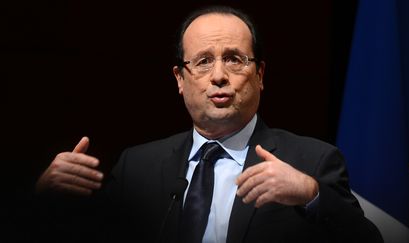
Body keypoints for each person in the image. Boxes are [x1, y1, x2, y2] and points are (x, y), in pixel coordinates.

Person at [35, 5, 383, 243]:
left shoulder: (312, 160)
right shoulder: (137, 166)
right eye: (202, 62)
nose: (218, 76)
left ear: (260, 75)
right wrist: (47, 197)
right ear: (180, 80)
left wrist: (311, 195)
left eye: (234, 59)